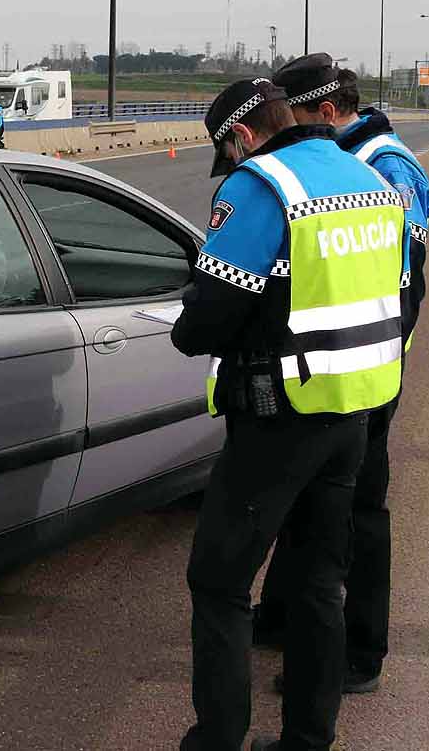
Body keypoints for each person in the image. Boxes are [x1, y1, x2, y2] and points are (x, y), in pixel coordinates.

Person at [174, 78, 407, 751]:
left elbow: (207, 320)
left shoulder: (260, 186)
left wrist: (191, 318)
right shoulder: (367, 179)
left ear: (241, 136)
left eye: (231, 151)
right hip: (353, 416)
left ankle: (216, 741)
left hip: (278, 417)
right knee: (318, 585)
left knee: (219, 580)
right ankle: (309, 740)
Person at [255, 55, 429, 695]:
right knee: (303, 499)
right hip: (321, 367)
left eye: (294, 121)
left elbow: (403, 285)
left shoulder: (388, 171)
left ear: (327, 114)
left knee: (359, 513)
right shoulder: (337, 160)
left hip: (365, 373)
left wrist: (371, 363)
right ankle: (279, 618)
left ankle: (358, 652)